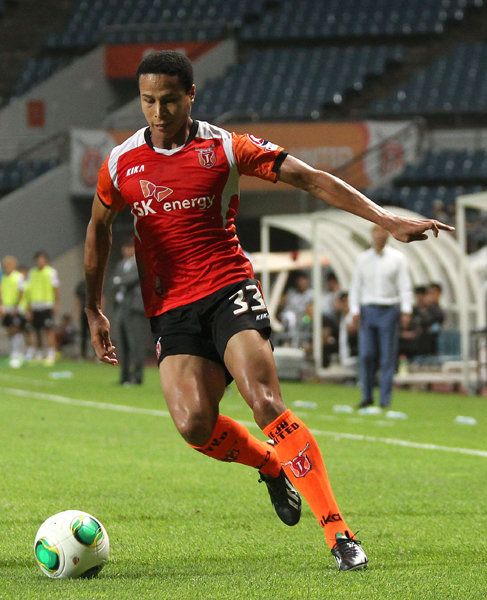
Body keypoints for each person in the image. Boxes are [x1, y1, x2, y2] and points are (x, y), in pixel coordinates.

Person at [84, 50, 453, 572]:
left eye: (169, 100)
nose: (159, 112)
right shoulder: (122, 162)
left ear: (191, 95)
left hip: (228, 288)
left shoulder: (225, 147)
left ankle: (340, 534)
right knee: (193, 424)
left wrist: (387, 220)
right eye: (148, 101)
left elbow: (312, 179)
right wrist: (93, 307)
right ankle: (270, 464)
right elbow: (98, 228)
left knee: (265, 401)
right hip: (171, 307)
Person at [349, 225, 413, 409]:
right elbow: (356, 286)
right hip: (368, 309)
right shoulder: (362, 259)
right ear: (372, 235)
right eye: (376, 232)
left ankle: (385, 400)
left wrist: (406, 310)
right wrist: (354, 310)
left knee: (387, 357)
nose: (379, 236)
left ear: (388, 235)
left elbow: (404, 285)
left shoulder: (398, 258)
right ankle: (367, 396)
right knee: (366, 355)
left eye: (382, 232)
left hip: (389, 309)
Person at [112, 239, 149, 385]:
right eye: (125, 248)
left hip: (134, 307)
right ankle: (124, 376)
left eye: (130, 248)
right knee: (122, 342)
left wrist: (120, 281)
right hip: (121, 306)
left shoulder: (140, 262)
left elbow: (132, 280)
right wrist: (120, 281)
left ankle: (137, 376)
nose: (127, 251)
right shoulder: (120, 264)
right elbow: (113, 282)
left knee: (135, 342)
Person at [28, 251, 60, 365]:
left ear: (46, 260)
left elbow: (56, 289)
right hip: (35, 305)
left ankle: (51, 354)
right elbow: (29, 290)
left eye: (42, 259)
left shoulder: (51, 272)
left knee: (48, 330)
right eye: (38, 260)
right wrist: (29, 306)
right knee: (37, 330)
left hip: (47, 305)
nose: (40, 262)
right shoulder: (32, 272)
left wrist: (56, 303)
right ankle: (40, 353)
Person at [0, 255, 25, 367]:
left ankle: (18, 354)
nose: (7, 267)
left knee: (16, 330)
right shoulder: (4, 278)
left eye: (9, 265)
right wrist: (2, 305)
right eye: (5, 265)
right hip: (7, 308)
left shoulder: (18, 276)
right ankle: (14, 353)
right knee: (9, 331)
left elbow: (21, 292)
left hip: (16, 308)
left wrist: (16, 306)